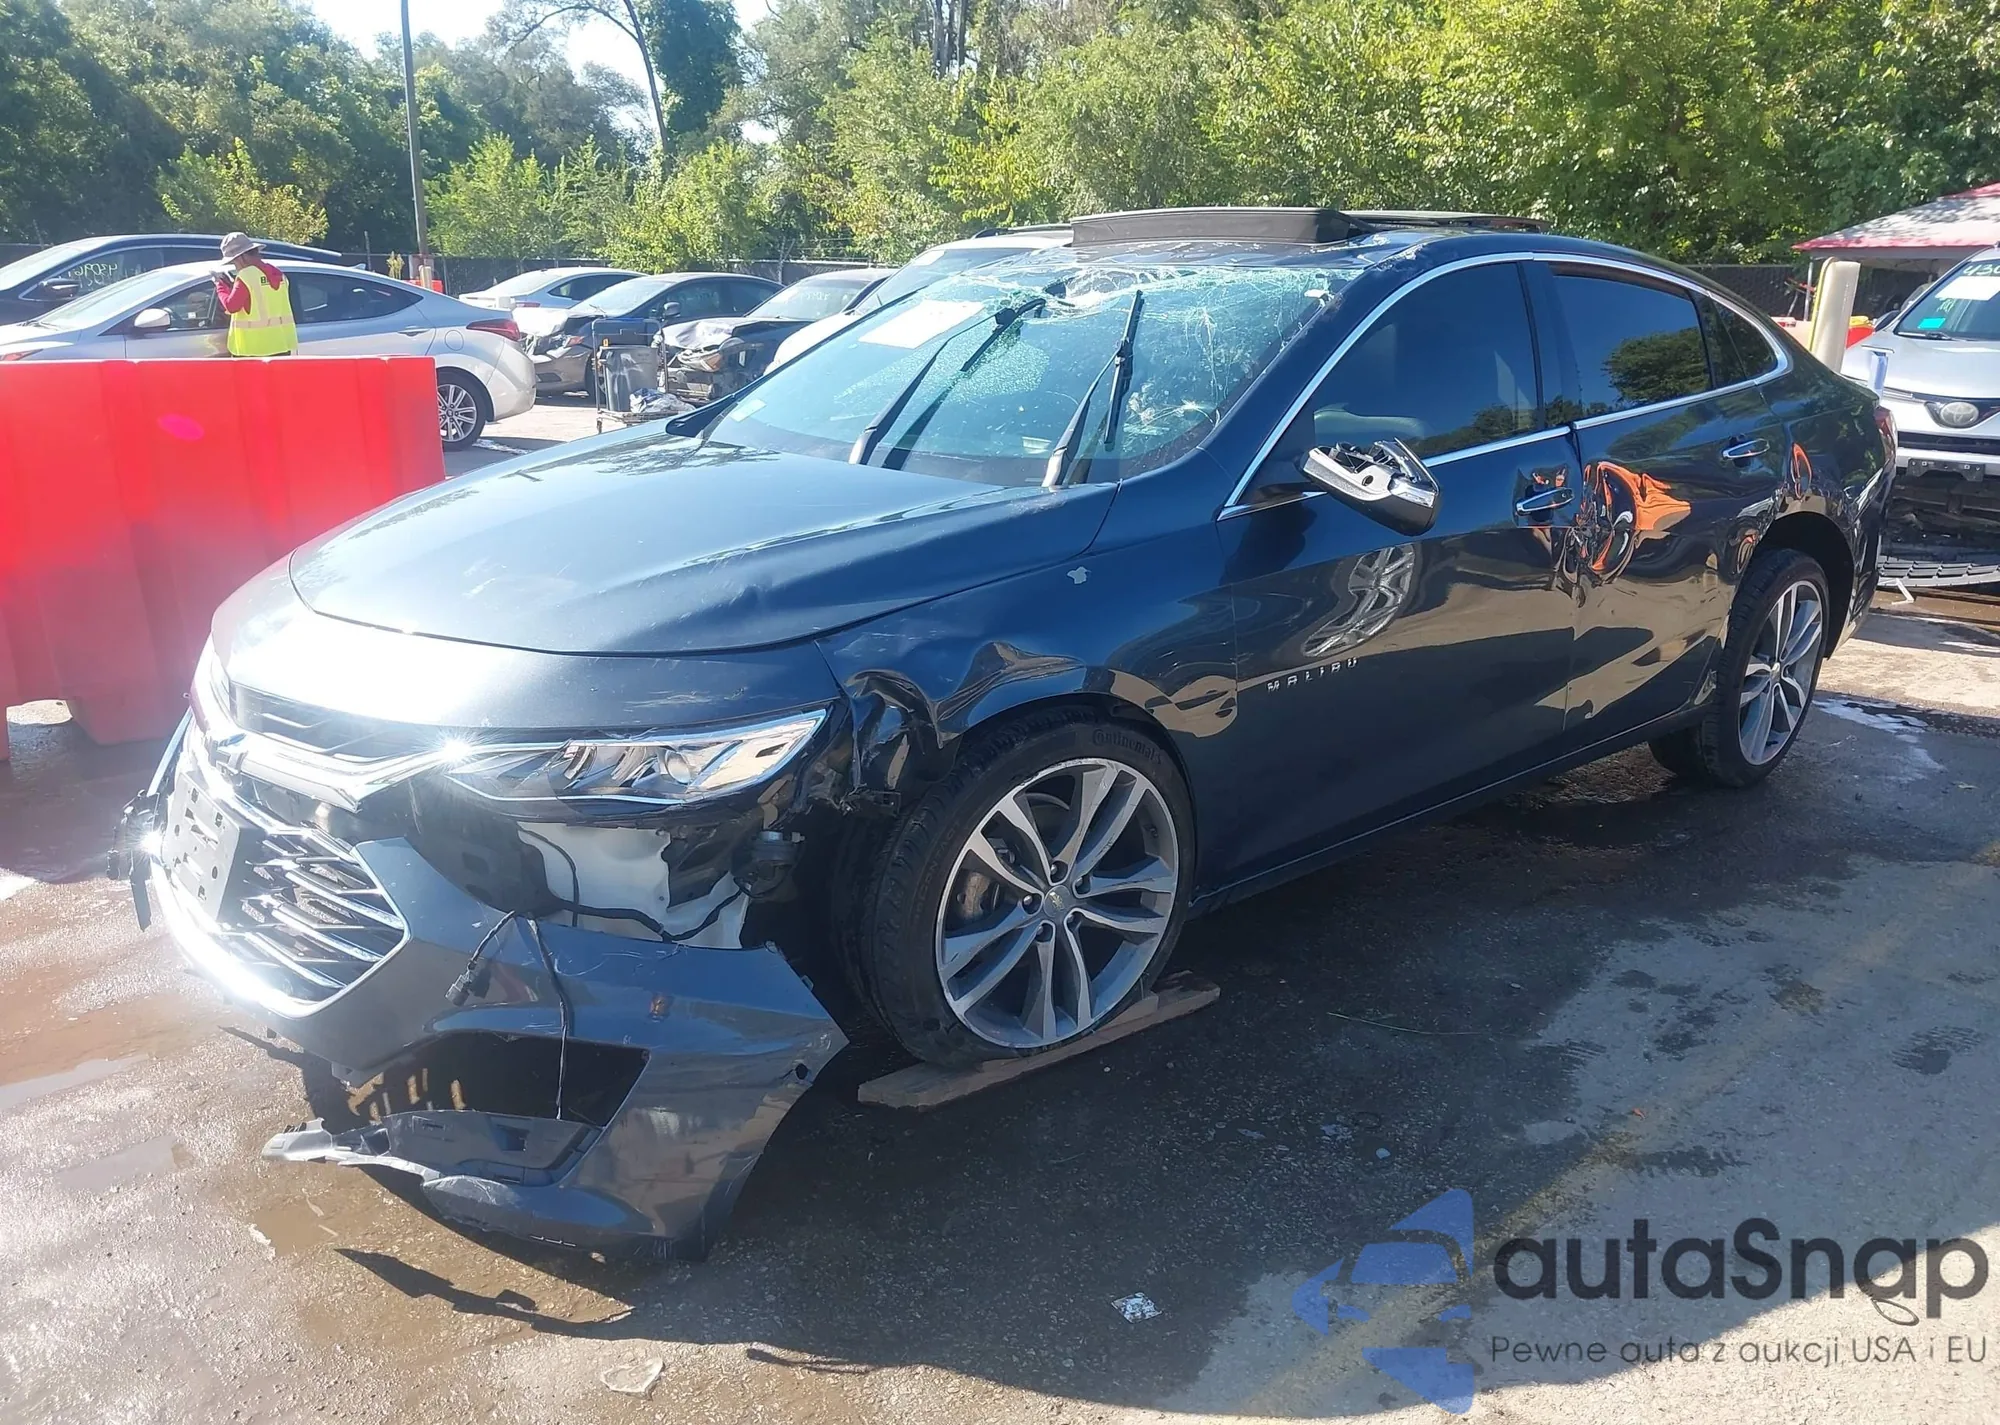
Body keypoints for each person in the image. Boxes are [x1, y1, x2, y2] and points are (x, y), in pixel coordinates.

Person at [212, 232, 298, 357]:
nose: (236, 267)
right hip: (281, 346)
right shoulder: (278, 274)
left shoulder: (246, 275)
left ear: (241, 258)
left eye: (234, 262)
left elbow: (231, 306)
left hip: (252, 350)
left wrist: (220, 286)